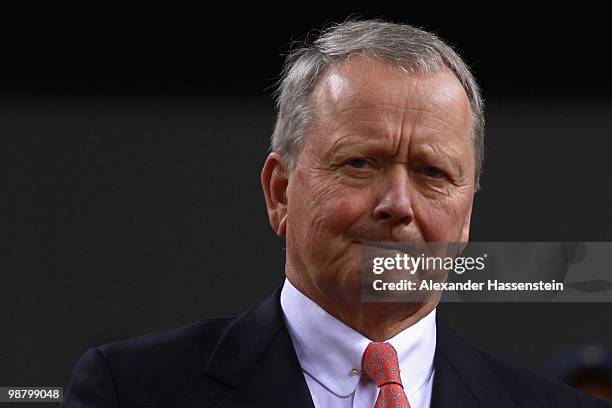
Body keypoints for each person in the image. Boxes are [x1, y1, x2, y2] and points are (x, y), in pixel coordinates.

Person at [61, 19, 611, 407]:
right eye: (359, 163)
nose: (397, 204)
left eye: (432, 173)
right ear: (279, 192)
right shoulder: (130, 390)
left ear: (466, 217)